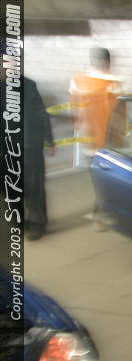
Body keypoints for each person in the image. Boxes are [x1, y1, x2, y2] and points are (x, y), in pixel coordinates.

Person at [69, 47, 122, 153]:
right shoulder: (114, 83)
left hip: (85, 136)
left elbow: (73, 106)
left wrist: (76, 124)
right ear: (107, 62)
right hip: (108, 141)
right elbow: (120, 113)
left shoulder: (77, 80)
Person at [24, 77, 55, 240]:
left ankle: (37, 223)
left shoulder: (27, 85)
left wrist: (49, 139)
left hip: (29, 146)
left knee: (34, 185)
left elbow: (41, 114)